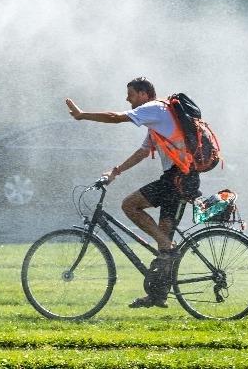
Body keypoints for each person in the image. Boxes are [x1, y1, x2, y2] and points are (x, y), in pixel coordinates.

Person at [65, 77, 200, 309]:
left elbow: (115, 117)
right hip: (180, 178)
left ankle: (167, 247)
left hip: (179, 178)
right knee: (164, 243)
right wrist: (115, 171)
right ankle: (157, 296)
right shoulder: (158, 119)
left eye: (131, 94)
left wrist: (82, 115)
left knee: (129, 205)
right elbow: (143, 152)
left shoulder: (155, 108)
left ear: (144, 94)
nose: (127, 99)